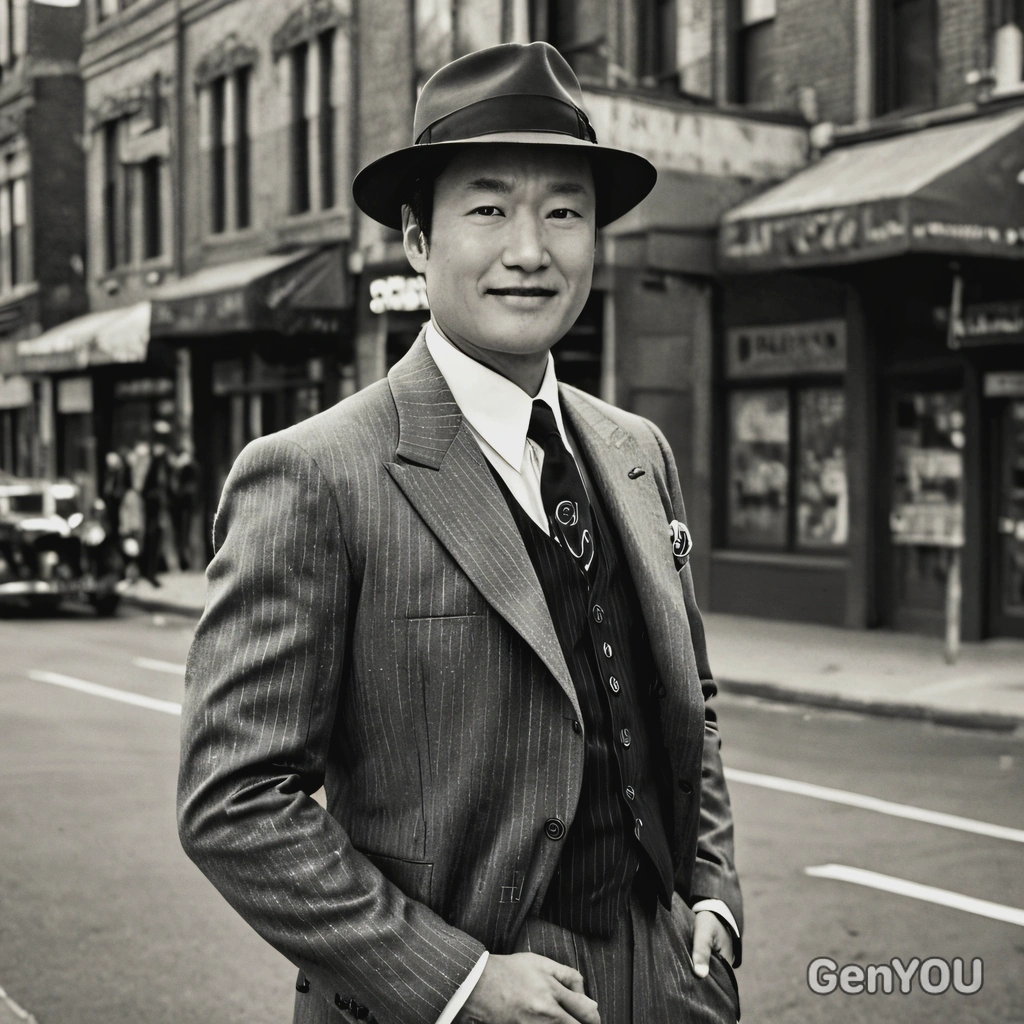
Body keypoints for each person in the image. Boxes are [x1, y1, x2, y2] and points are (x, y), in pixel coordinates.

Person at [178, 41, 742, 1024]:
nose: (530, 250)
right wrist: (456, 980)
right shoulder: (313, 474)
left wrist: (711, 892)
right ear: (416, 239)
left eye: (564, 212)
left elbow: (689, 702)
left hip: (665, 978)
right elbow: (234, 801)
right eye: (488, 210)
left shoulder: (637, 449)